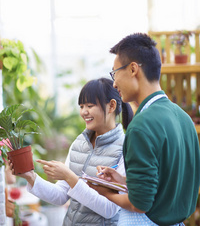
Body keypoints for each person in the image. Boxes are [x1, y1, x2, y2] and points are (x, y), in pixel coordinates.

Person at [90, 33, 200, 226]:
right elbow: (167, 184)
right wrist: (122, 181)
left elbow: (139, 204)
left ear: (133, 69)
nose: (114, 83)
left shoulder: (141, 126)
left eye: (115, 73)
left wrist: (106, 192)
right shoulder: (184, 119)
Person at [9, 77, 133, 226]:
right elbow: (61, 195)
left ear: (111, 106)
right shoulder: (79, 143)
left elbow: (110, 209)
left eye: (90, 105)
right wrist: (31, 177)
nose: (84, 112)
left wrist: (70, 177)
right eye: (81, 106)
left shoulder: (126, 148)